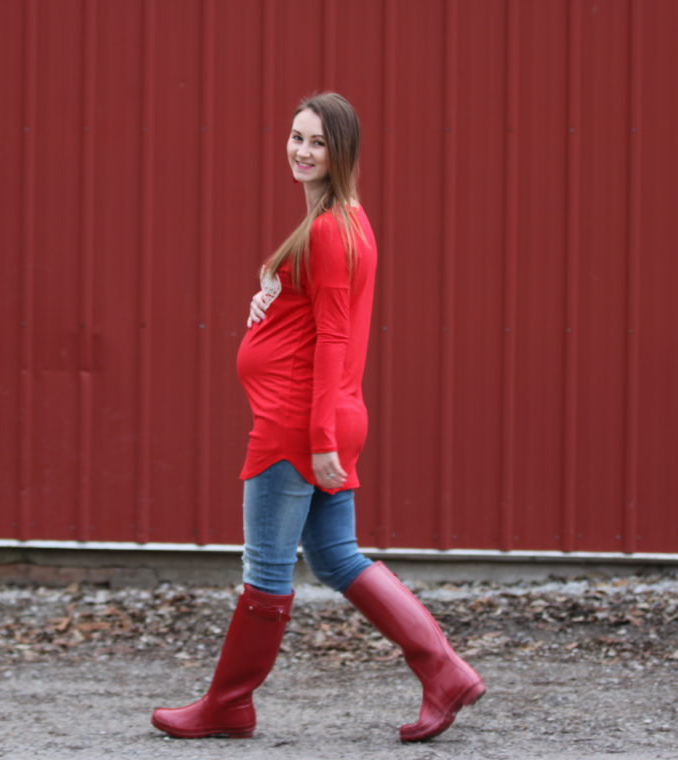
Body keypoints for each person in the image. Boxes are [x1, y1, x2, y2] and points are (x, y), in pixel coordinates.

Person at [151, 92, 485, 743]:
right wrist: (271, 298)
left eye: (317, 142)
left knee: (267, 570)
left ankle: (227, 704)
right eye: (296, 137)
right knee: (335, 555)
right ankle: (443, 671)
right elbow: (320, 316)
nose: (301, 151)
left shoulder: (332, 229)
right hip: (321, 415)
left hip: (298, 424)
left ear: (342, 152)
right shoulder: (346, 220)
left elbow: (335, 337)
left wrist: (322, 438)